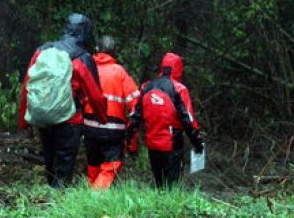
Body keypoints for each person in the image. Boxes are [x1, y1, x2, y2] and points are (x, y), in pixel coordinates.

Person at [18, 13, 108, 188]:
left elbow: (26, 86)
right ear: (85, 32)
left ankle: (51, 196)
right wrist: (102, 118)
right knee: (64, 165)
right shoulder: (82, 57)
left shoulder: (42, 50)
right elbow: (95, 95)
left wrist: (23, 120)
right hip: (70, 119)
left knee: (50, 160)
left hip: (43, 115)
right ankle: (58, 201)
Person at [127, 52, 203, 188]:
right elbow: (189, 121)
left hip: (152, 144)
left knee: (159, 184)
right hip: (172, 145)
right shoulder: (179, 89)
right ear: (179, 69)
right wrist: (198, 143)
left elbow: (134, 119)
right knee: (172, 186)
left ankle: (159, 206)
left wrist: (131, 146)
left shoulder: (146, 87)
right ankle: (168, 208)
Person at [83, 35, 139, 190]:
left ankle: (90, 195)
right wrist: (131, 138)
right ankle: (93, 197)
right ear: (114, 52)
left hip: (89, 128)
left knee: (93, 164)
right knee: (111, 165)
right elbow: (136, 105)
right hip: (113, 130)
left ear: (97, 49)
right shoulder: (119, 72)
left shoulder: (87, 69)